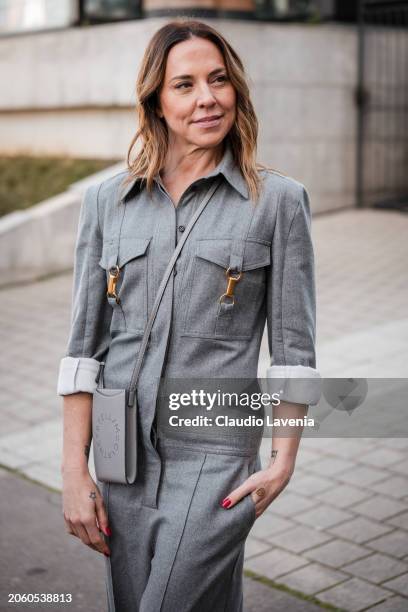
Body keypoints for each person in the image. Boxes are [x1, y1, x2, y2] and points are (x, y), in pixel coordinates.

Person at [57, 18, 321, 612]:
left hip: (215, 456)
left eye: (219, 79)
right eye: (185, 84)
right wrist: (74, 469)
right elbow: (83, 350)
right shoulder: (107, 201)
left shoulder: (277, 202)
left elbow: (295, 349)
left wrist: (283, 460)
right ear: (155, 99)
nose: (208, 97)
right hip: (122, 453)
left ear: (237, 90)